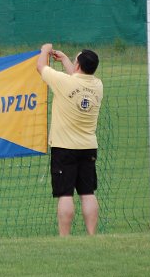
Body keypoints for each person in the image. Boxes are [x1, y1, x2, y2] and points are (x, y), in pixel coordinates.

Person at [37, 44, 103, 236]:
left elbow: (40, 67)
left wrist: (44, 50)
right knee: (87, 193)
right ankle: (92, 234)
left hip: (64, 147)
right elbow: (76, 80)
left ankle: (64, 237)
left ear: (78, 65)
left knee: (65, 194)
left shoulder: (64, 83)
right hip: (88, 147)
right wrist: (66, 60)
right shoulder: (97, 85)